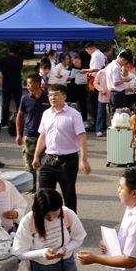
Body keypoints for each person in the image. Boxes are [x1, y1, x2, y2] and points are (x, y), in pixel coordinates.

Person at [32, 83, 91, 213]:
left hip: (67, 161)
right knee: (43, 194)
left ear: (64, 96)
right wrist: (36, 156)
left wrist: (83, 160)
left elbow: (82, 137)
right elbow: (43, 135)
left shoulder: (74, 114)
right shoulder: (46, 114)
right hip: (48, 159)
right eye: (50, 95)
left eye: (56, 95)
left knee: (68, 194)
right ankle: (44, 218)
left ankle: (70, 220)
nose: (52, 98)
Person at [16, 74, 49, 189]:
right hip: (29, 136)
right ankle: (31, 189)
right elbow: (20, 116)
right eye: (27, 83)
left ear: (38, 84)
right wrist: (18, 134)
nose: (28, 86)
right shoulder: (25, 98)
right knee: (29, 166)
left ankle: (44, 189)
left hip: (45, 136)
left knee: (45, 166)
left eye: (30, 83)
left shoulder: (48, 98)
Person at [0, 47, 24, 129]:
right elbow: (20, 69)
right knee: (19, 103)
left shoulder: (3, 60)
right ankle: (20, 120)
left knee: (5, 103)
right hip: (17, 83)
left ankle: (4, 122)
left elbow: (1, 71)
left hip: (6, 83)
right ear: (16, 52)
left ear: (9, 51)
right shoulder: (19, 59)